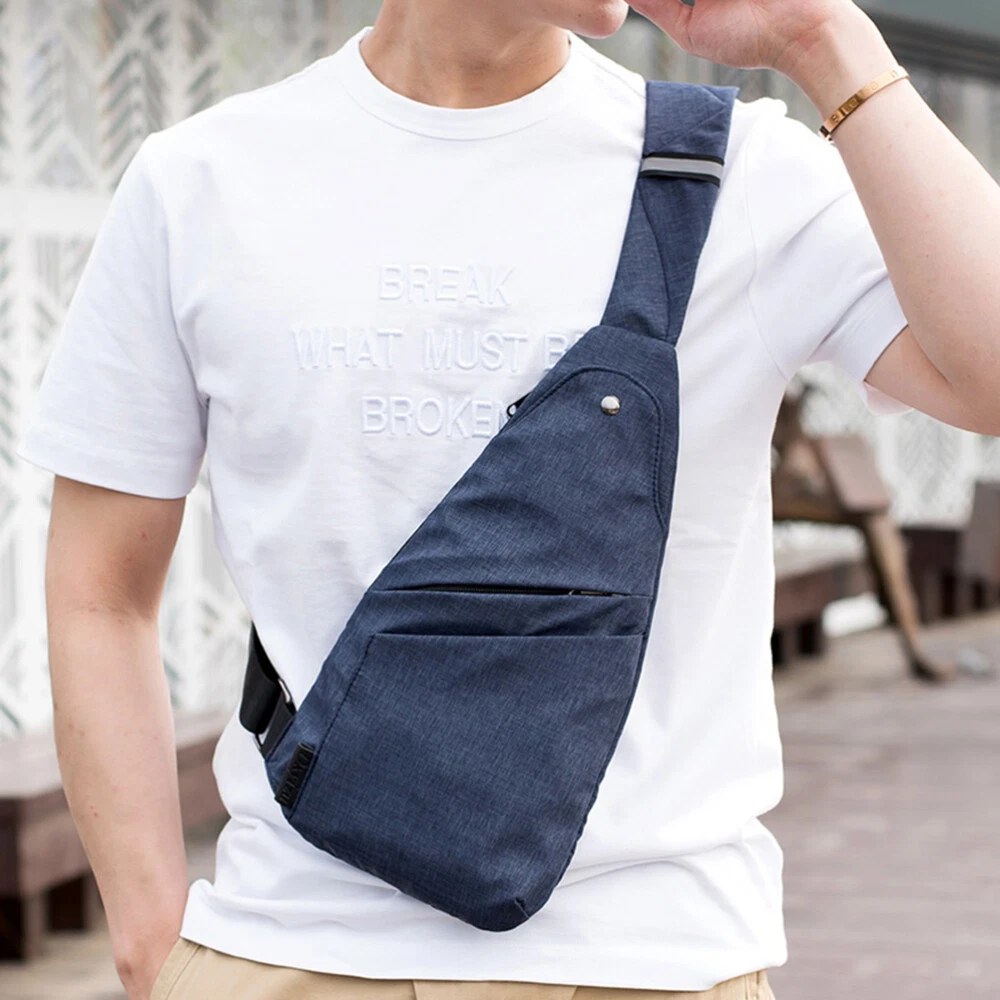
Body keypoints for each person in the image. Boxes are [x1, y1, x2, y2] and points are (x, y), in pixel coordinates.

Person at [15, 0, 1000, 997]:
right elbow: (100, 589)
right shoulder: (205, 182)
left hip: (654, 961)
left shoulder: (742, 175)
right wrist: (154, 946)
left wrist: (824, 39)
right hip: (293, 951)